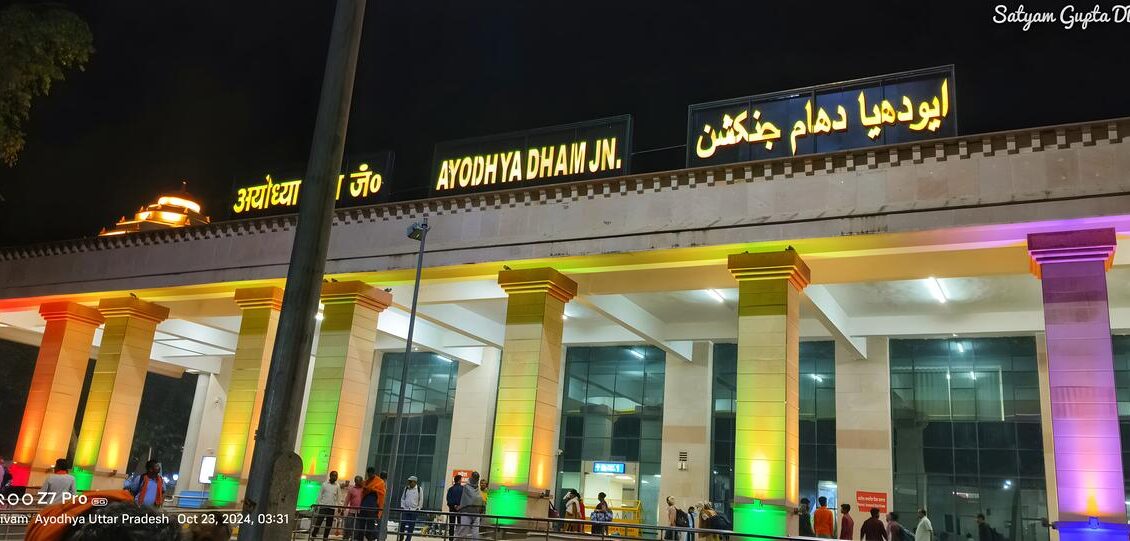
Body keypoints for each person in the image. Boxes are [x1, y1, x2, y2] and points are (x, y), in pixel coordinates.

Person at [311, 471, 340, 540]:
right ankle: (313, 534)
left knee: (329, 524)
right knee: (319, 521)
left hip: (332, 508)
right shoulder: (324, 484)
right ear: (330, 476)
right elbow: (320, 495)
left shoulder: (337, 486)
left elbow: (339, 497)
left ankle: (325, 537)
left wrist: (339, 506)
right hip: (323, 506)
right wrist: (317, 504)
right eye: (333, 475)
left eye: (336, 476)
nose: (335, 477)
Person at [360, 467, 387, 541]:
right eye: (369, 473)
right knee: (361, 526)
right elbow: (363, 491)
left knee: (371, 526)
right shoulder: (366, 482)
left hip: (373, 507)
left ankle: (373, 538)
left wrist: (373, 490)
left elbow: (382, 493)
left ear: (374, 473)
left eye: (371, 473)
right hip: (364, 506)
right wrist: (367, 489)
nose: (370, 475)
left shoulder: (380, 482)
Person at [457, 471, 485, 541]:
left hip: (476, 512)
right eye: (475, 478)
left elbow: (478, 499)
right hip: (467, 511)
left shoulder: (478, 488)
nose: (475, 479)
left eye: (477, 478)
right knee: (463, 531)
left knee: (475, 533)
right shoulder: (466, 487)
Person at [399, 475, 423, 541]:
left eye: (410, 481)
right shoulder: (406, 488)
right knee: (402, 524)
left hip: (414, 510)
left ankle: (408, 539)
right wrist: (402, 506)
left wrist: (419, 508)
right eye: (409, 481)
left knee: (411, 526)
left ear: (415, 482)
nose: (409, 483)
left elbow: (421, 500)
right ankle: (401, 537)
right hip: (406, 509)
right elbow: (403, 498)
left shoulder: (419, 489)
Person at [344, 476, 364, 541]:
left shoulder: (364, 489)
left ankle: (354, 538)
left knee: (357, 526)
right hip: (352, 510)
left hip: (360, 511)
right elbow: (347, 499)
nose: (361, 482)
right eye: (359, 481)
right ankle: (346, 537)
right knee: (348, 524)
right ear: (356, 481)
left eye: (361, 481)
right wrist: (343, 508)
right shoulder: (351, 489)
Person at [446, 474, 465, 539]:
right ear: (459, 480)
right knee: (460, 524)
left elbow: (448, 499)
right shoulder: (463, 489)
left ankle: (451, 538)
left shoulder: (450, 489)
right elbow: (464, 499)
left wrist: (454, 505)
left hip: (452, 509)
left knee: (451, 524)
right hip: (460, 509)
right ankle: (458, 538)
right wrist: (459, 506)